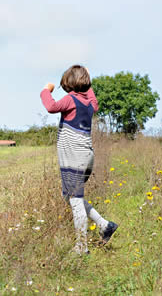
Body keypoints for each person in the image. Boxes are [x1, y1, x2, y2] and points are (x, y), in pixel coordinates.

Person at [39, 65, 117, 254]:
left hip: (74, 157)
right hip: (86, 156)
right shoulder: (90, 103)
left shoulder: (70, 99)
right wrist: (87, 79)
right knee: (70, 196)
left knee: (75, 201)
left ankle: (81, 247)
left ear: (70, 82)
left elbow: (50, 107)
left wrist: (45, 90)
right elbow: (92, 98)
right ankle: (104, 225)